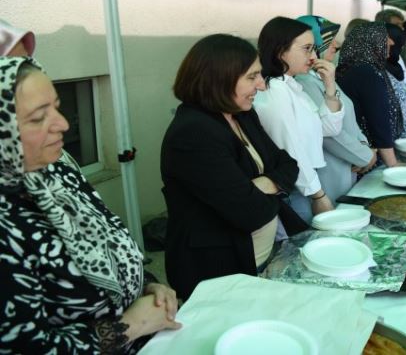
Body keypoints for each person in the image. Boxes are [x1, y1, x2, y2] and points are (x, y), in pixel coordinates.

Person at [0, 57, 181, 352]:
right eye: (37, 118)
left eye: (56, 107)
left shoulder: (56, 171)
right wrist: (130, 324)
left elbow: (110, 243)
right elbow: (23, 347)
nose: (63, 124)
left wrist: (147, 287)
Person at [161, 34, 306, 300]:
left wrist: (262, 184)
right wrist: (270, 186)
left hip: (262, 254)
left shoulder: (242, 114)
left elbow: (288, 164)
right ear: (218, 79)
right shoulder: (193, 133)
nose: (262, 85)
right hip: (220, 267)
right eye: (252, 77)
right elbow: (251, 212)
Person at [254, 16, 345, 223]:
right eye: (307, 48)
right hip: (295, 189)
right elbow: (291, 149)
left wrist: (330, 87)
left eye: (314, 49)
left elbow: (329, 128)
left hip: (305, 184)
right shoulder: (274, 91)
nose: (313, 56)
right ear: (280, 51)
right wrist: (318, 195)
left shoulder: (292, 86)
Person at [294, 15, 377, 202]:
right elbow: (328, 134)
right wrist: (365, 156)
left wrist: (364, 146)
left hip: (346, 165)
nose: (336, 46)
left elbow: (349, 117)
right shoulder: (304, 81)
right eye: (329, 41)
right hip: (329, 173)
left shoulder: (322, 75)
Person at [337, 22, 403, 167]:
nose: (391, 42)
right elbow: (378, 121)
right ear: (369, 41)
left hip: (359, 153)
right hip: (367, 158)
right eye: (385, 38)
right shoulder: (366, 72)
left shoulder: (354, 67)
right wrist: (393, 164)